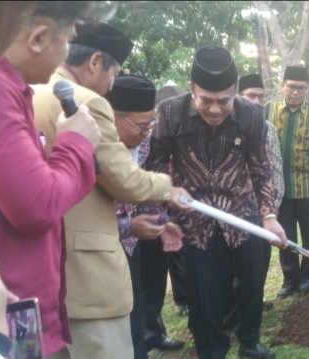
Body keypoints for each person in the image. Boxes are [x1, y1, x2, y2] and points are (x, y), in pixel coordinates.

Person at [33, 23, 191, 359]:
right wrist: (168, 188)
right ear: (94, 63)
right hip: (87, 278)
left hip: (37, 273)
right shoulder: (85, 102)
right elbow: (124, 180)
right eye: (113, 73)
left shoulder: (27, 92)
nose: (111, 84)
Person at [145, 45, 287, 359]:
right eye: (205, 100)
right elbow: (155, 164)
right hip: (195, 219)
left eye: (223, 101)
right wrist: (167, 195)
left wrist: (268, 215)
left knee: (252, 285)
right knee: (202, 296)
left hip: (242, 213)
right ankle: (211, 350)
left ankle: (249, 341)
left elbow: (261, 168)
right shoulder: (171, 112)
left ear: (234, 92)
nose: (214, 109)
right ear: (192, 89)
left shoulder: (251, 113)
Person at [0, 2, 102, 358]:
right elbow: (37, 205)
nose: (66, 52)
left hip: (20, 306)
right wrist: (75, 143)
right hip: (10, 315)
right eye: (68, 39)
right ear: (39, 37)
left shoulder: (13, 91)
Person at [104, 75, 185, 358]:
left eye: (152, 124)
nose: (146, 132)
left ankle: (146, 340)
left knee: (138, 305)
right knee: (117, 317)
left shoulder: (146, 142)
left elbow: (145, 189)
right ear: (112, 116)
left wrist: (162, 222)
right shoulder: (93, 148)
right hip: (102, 247)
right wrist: (128, 227)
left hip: (134, 240)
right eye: (140, 125)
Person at [266, 66, 309, 298]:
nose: (296, 92)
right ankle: (289, 279)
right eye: (291, 87)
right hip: (280, 190)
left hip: (308, 185)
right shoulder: (268, 110)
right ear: (282, 86)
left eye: (301, 88)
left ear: (308, 89)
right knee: (285, 235)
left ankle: (307, 276)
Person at [239, 74, 285, 311]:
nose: (256, 101)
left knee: (260, 258)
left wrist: (274, 204)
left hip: (263, 208)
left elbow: (276, 167)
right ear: (238, 97)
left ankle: (255, 299)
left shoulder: (268, 128)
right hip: (234, 208)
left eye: (260, 96)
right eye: (250, 96)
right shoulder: (228, 124)